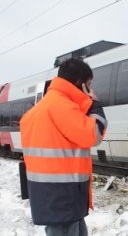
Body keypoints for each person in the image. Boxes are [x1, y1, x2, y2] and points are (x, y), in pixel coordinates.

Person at [20, 58, 107, 236]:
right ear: (79, 84)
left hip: (49, 193)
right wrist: (94, 103)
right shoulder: (61, 107)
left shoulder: (38, 110)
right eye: (88, 85)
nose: (90, 89)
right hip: (64, 194)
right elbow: (94, 134)